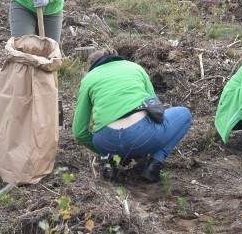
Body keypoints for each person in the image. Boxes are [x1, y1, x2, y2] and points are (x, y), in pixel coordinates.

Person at [72, 47, 193, 183]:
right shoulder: (135, 67)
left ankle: (108, 164)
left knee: (100, 128)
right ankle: (154, 165)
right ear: (116, 58)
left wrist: (105, 151)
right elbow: (156, 110)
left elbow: (79, 132)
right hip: (142, 136)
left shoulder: (88, 79)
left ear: (93, 67)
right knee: (185, 114)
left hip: (106, 141)